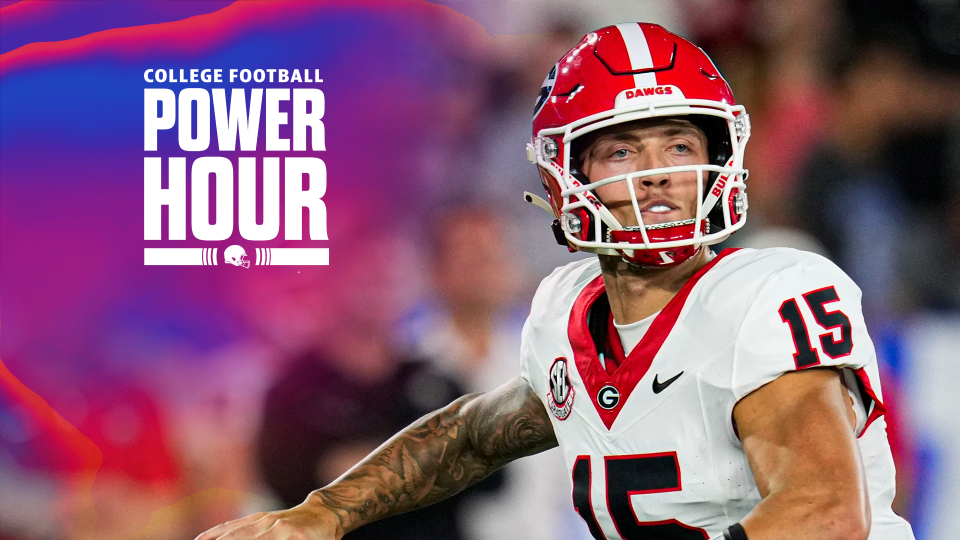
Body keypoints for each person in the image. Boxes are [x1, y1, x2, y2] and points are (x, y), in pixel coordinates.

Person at [197, 23, 915, 540]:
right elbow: (470, 437)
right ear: (566, 176)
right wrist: (323, 513)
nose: (660, 170)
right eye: (623, 149)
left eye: (681, 144)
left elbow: (823, 515)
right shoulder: (566, 311)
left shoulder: (769, 289)